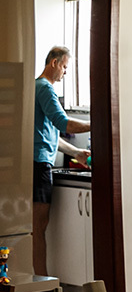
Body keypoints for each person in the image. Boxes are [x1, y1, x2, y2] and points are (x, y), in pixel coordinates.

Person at [33, 46, 90, 276]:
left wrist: (76, 152)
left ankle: (38, 282)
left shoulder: (36, 87)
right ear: (54, 63)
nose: (65, 73)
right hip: (38, 166)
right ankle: (42, 286)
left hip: (36, 162)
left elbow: (47, 136)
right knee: (38, 228)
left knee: (35, 228)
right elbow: (64, 123)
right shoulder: (46, 88)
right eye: (65, 67)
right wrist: (101, 121)